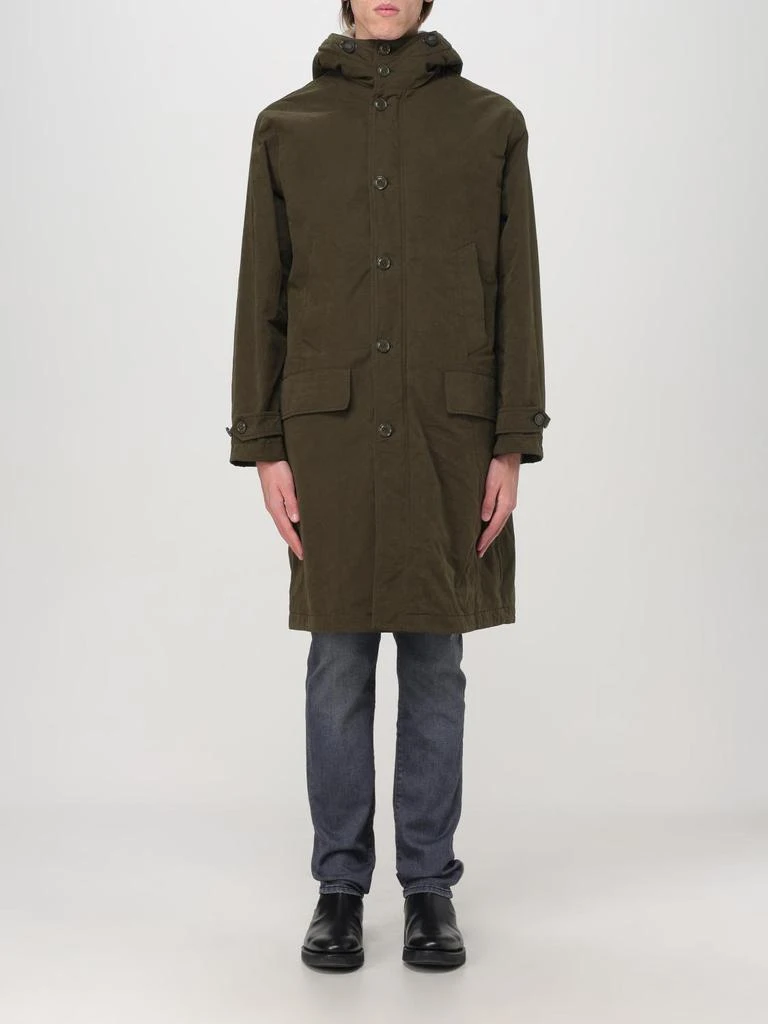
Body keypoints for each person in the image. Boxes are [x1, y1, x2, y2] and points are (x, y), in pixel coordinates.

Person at [226, 0, 550, 971]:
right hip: (327, 440)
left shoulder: (490, 124)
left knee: (437, 665)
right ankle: (338, 886)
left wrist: (511, 443)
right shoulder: (286, 127)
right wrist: (265, 445)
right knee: (337, 667)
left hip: (449, 439)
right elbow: (262, 296)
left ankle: (428, 888)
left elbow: (518, 292)